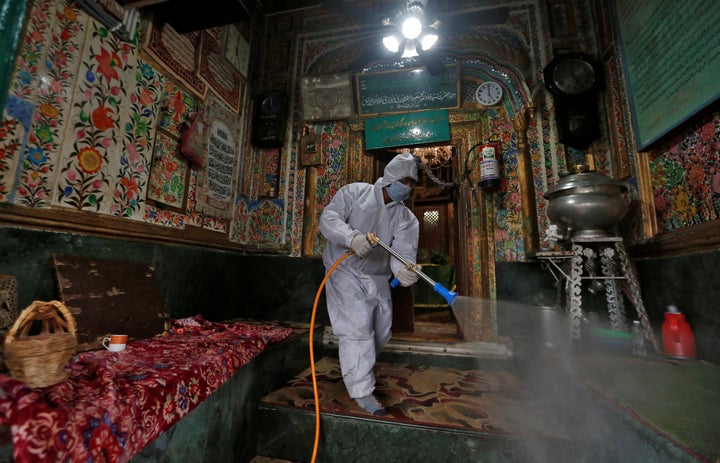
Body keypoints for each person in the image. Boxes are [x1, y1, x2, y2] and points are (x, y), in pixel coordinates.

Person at [319, 151, 421, 416]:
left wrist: (405, 271)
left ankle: (356, 367)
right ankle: (362, 391)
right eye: (405, 180)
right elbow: (328, 219)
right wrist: (352, 239)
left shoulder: (407, 218)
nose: (407, 187)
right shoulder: (354, 193)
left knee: (381, 329)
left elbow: (404, 253)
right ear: (391, 176)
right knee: (358, 325)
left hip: (376, 277)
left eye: (412, 183)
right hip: (343, 270)